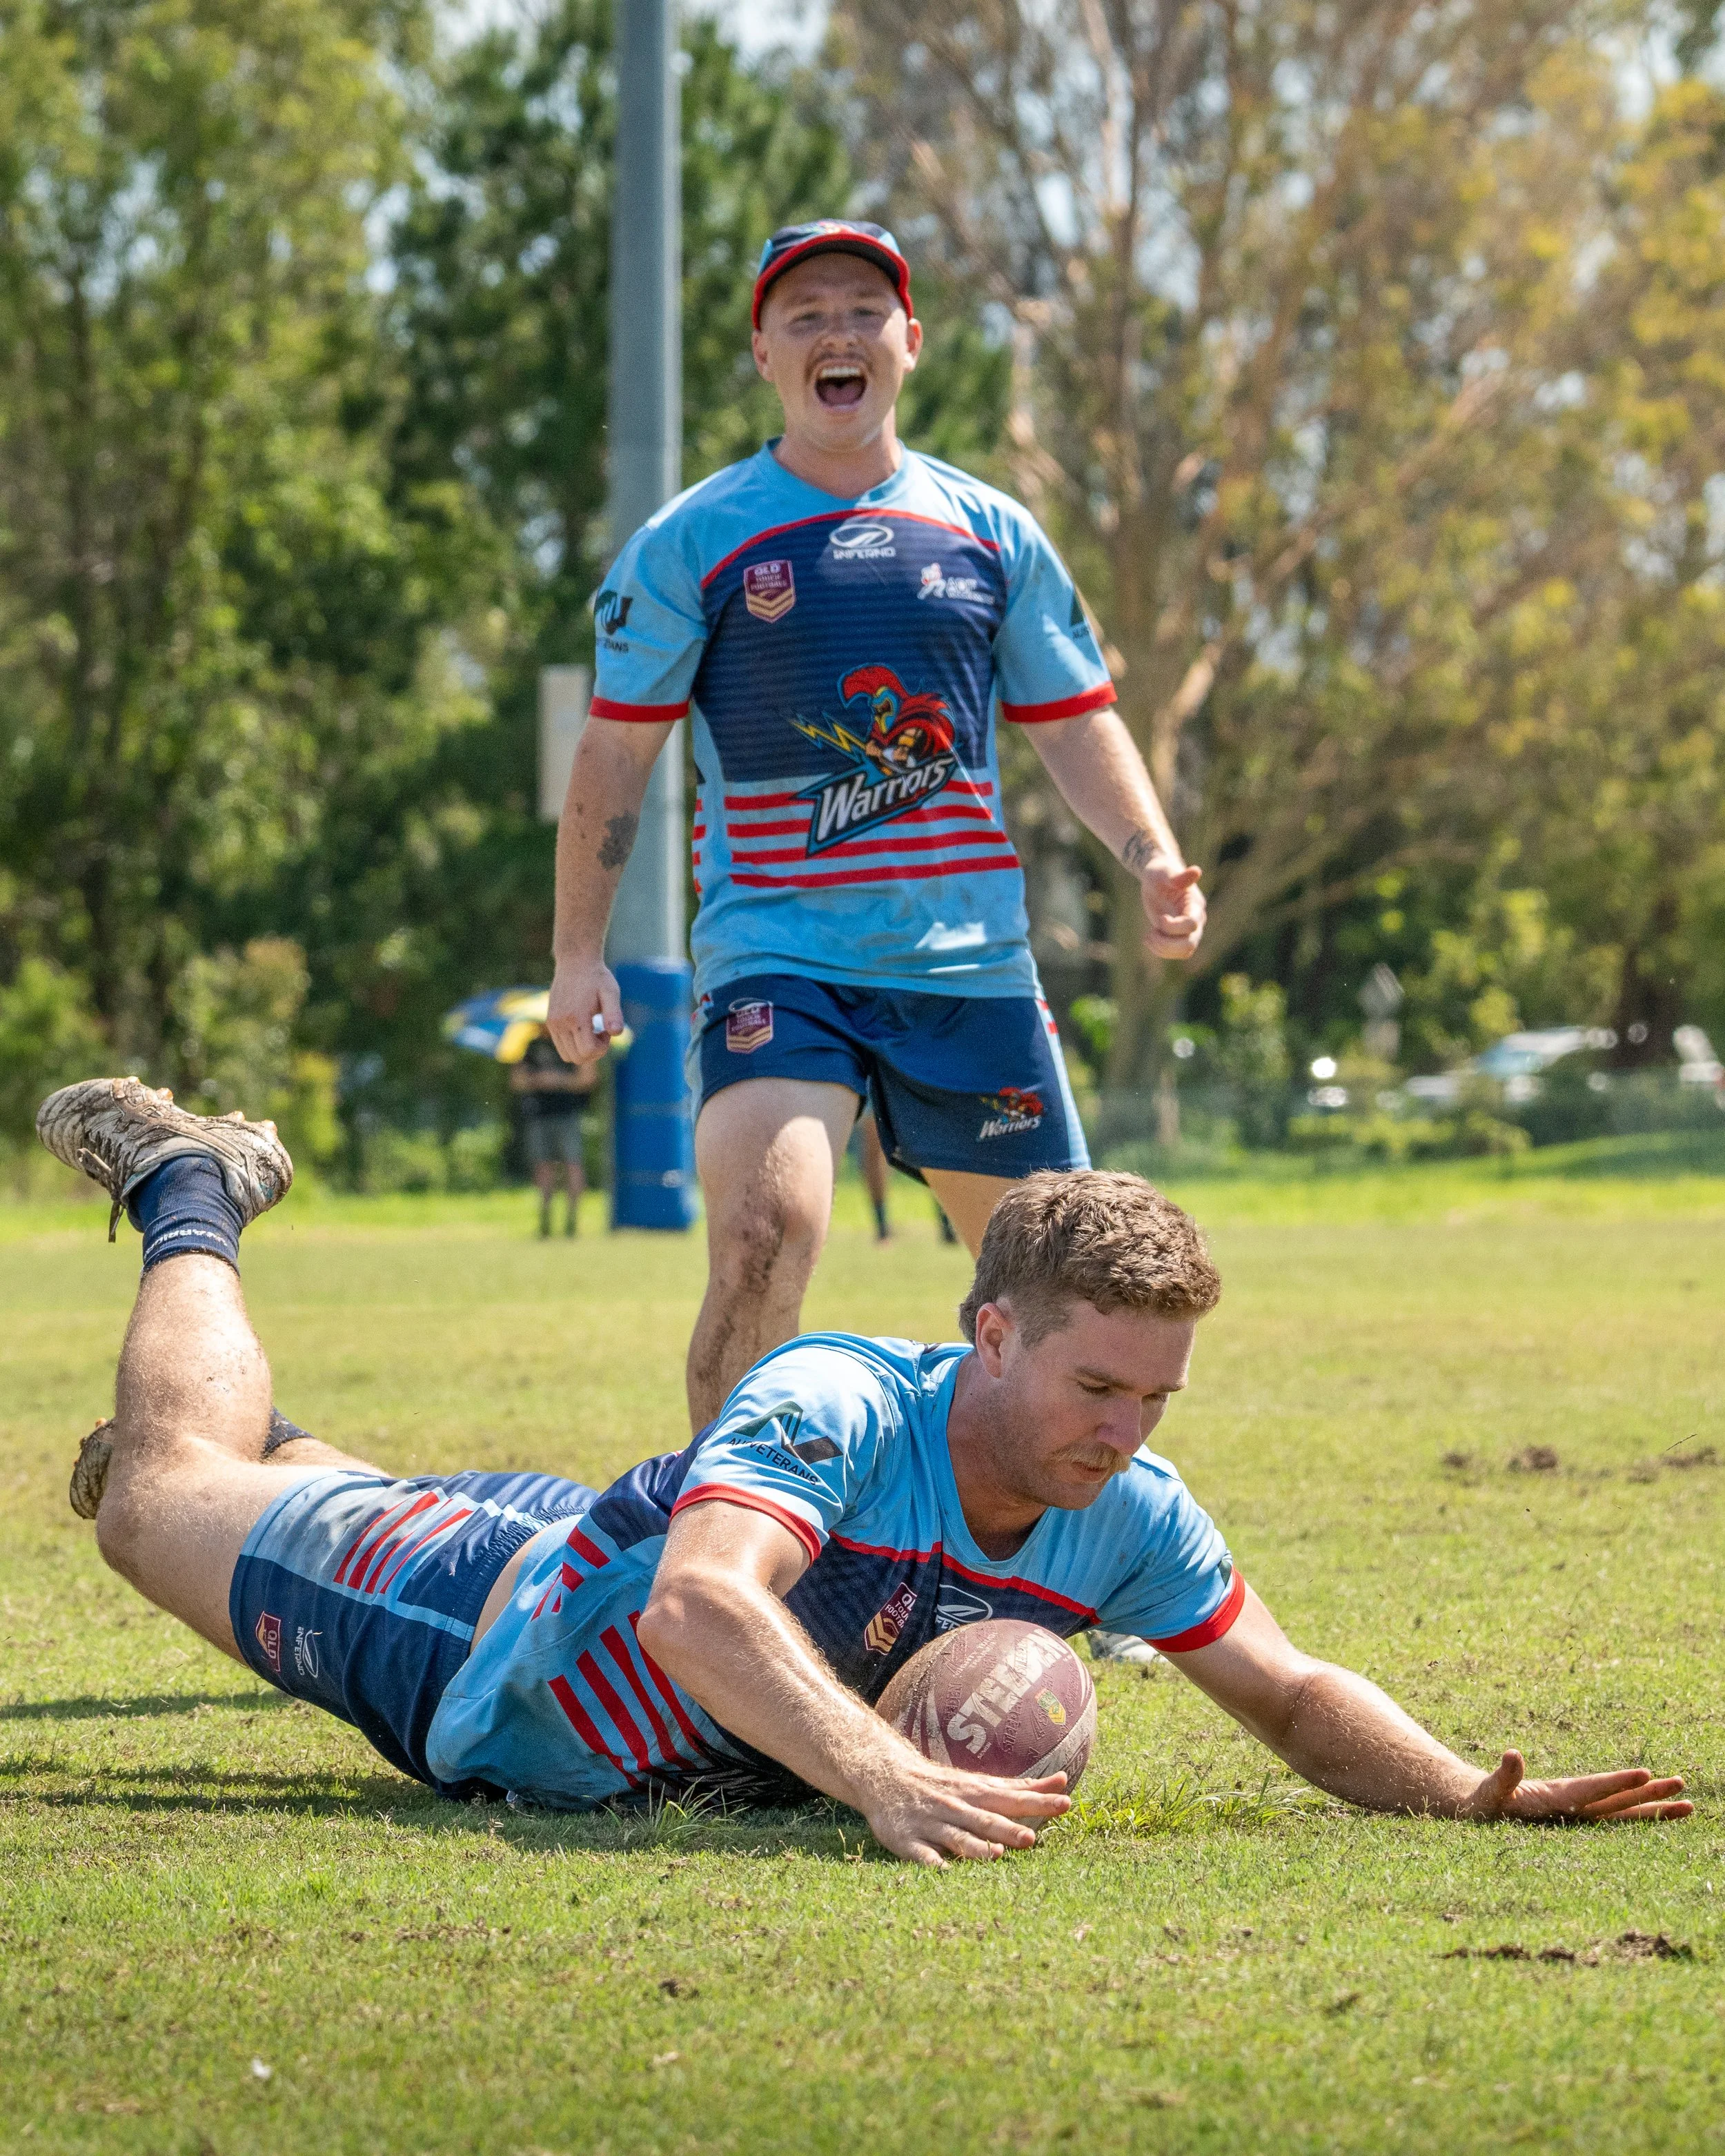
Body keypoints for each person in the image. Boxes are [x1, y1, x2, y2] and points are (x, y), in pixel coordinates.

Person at [39, 1078, 1690, 1864]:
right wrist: (878, 1774)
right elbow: (697, 1609)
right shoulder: (840, 1400)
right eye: (1096, 1380)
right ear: (987, 1329)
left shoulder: (1128, 1512)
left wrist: (1470, 1789)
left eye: (1157, 1396)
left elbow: (1285, 1689)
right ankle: (193, 1186)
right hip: (498, 1627)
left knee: (257, 1473)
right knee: (158, 1495)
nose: (1126, 1429)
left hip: (606, 1531)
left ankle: (295, 1457)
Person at [546, 219, 1208, 1430]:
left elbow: (1072, 719)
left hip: (970, 970)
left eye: (862, 311)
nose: (836, 334)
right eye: (805, 316)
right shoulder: (693, 542)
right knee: (765, 1229)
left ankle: (1070, 1572)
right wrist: (577, 954)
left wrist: (1150, 854)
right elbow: (616, 748)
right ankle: (723, 1554)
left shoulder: (991, 534)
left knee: (1064, 1292)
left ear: (910, 342)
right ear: (762, 352)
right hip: (780, 958)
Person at [509, 1028, 598, 1237]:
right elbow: (516, 1081)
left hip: (568, 1116)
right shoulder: (530, 1047)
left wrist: (557, 1081)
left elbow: (588, 1078)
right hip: (539, 1116)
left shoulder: (576, 1043)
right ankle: (545, 1221)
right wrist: (538, 1080)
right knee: (543, 1168)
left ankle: (572, 1221)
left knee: (573, 1165)